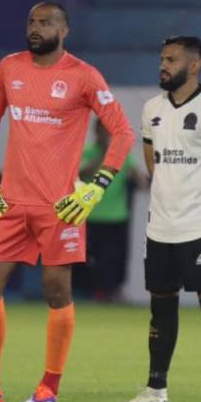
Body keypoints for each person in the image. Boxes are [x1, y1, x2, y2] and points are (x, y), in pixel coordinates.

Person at [0, 2, 135, 402]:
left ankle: (49, 386)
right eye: (31, 21)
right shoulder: (9, 68)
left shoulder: (83, 76)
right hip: (10, 200)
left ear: (64, 31)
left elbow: (123, 132)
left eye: (45, 23)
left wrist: (97, 185)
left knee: (56, 289)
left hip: (60, 205)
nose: (35, 28)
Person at [118, 36, 201, 402]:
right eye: (162, 58)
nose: (163, 65)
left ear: (194, 65)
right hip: (160, 227)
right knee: (161, 307)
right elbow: (152, 162)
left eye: (171, 59)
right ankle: (155, 389)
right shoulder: (152, 109)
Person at [76, 121, 139, 301]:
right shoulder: (87, 151)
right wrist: (103, 154)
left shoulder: (121, 154)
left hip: (117, 215)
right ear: (95, 132)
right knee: (89, 260)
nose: (104, 135)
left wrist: (138, 176)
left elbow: (137, 176)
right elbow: (82, 173)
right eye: (101, 131)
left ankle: (113, 293)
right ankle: (91, 293)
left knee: (115, 259)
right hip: (91, 215)